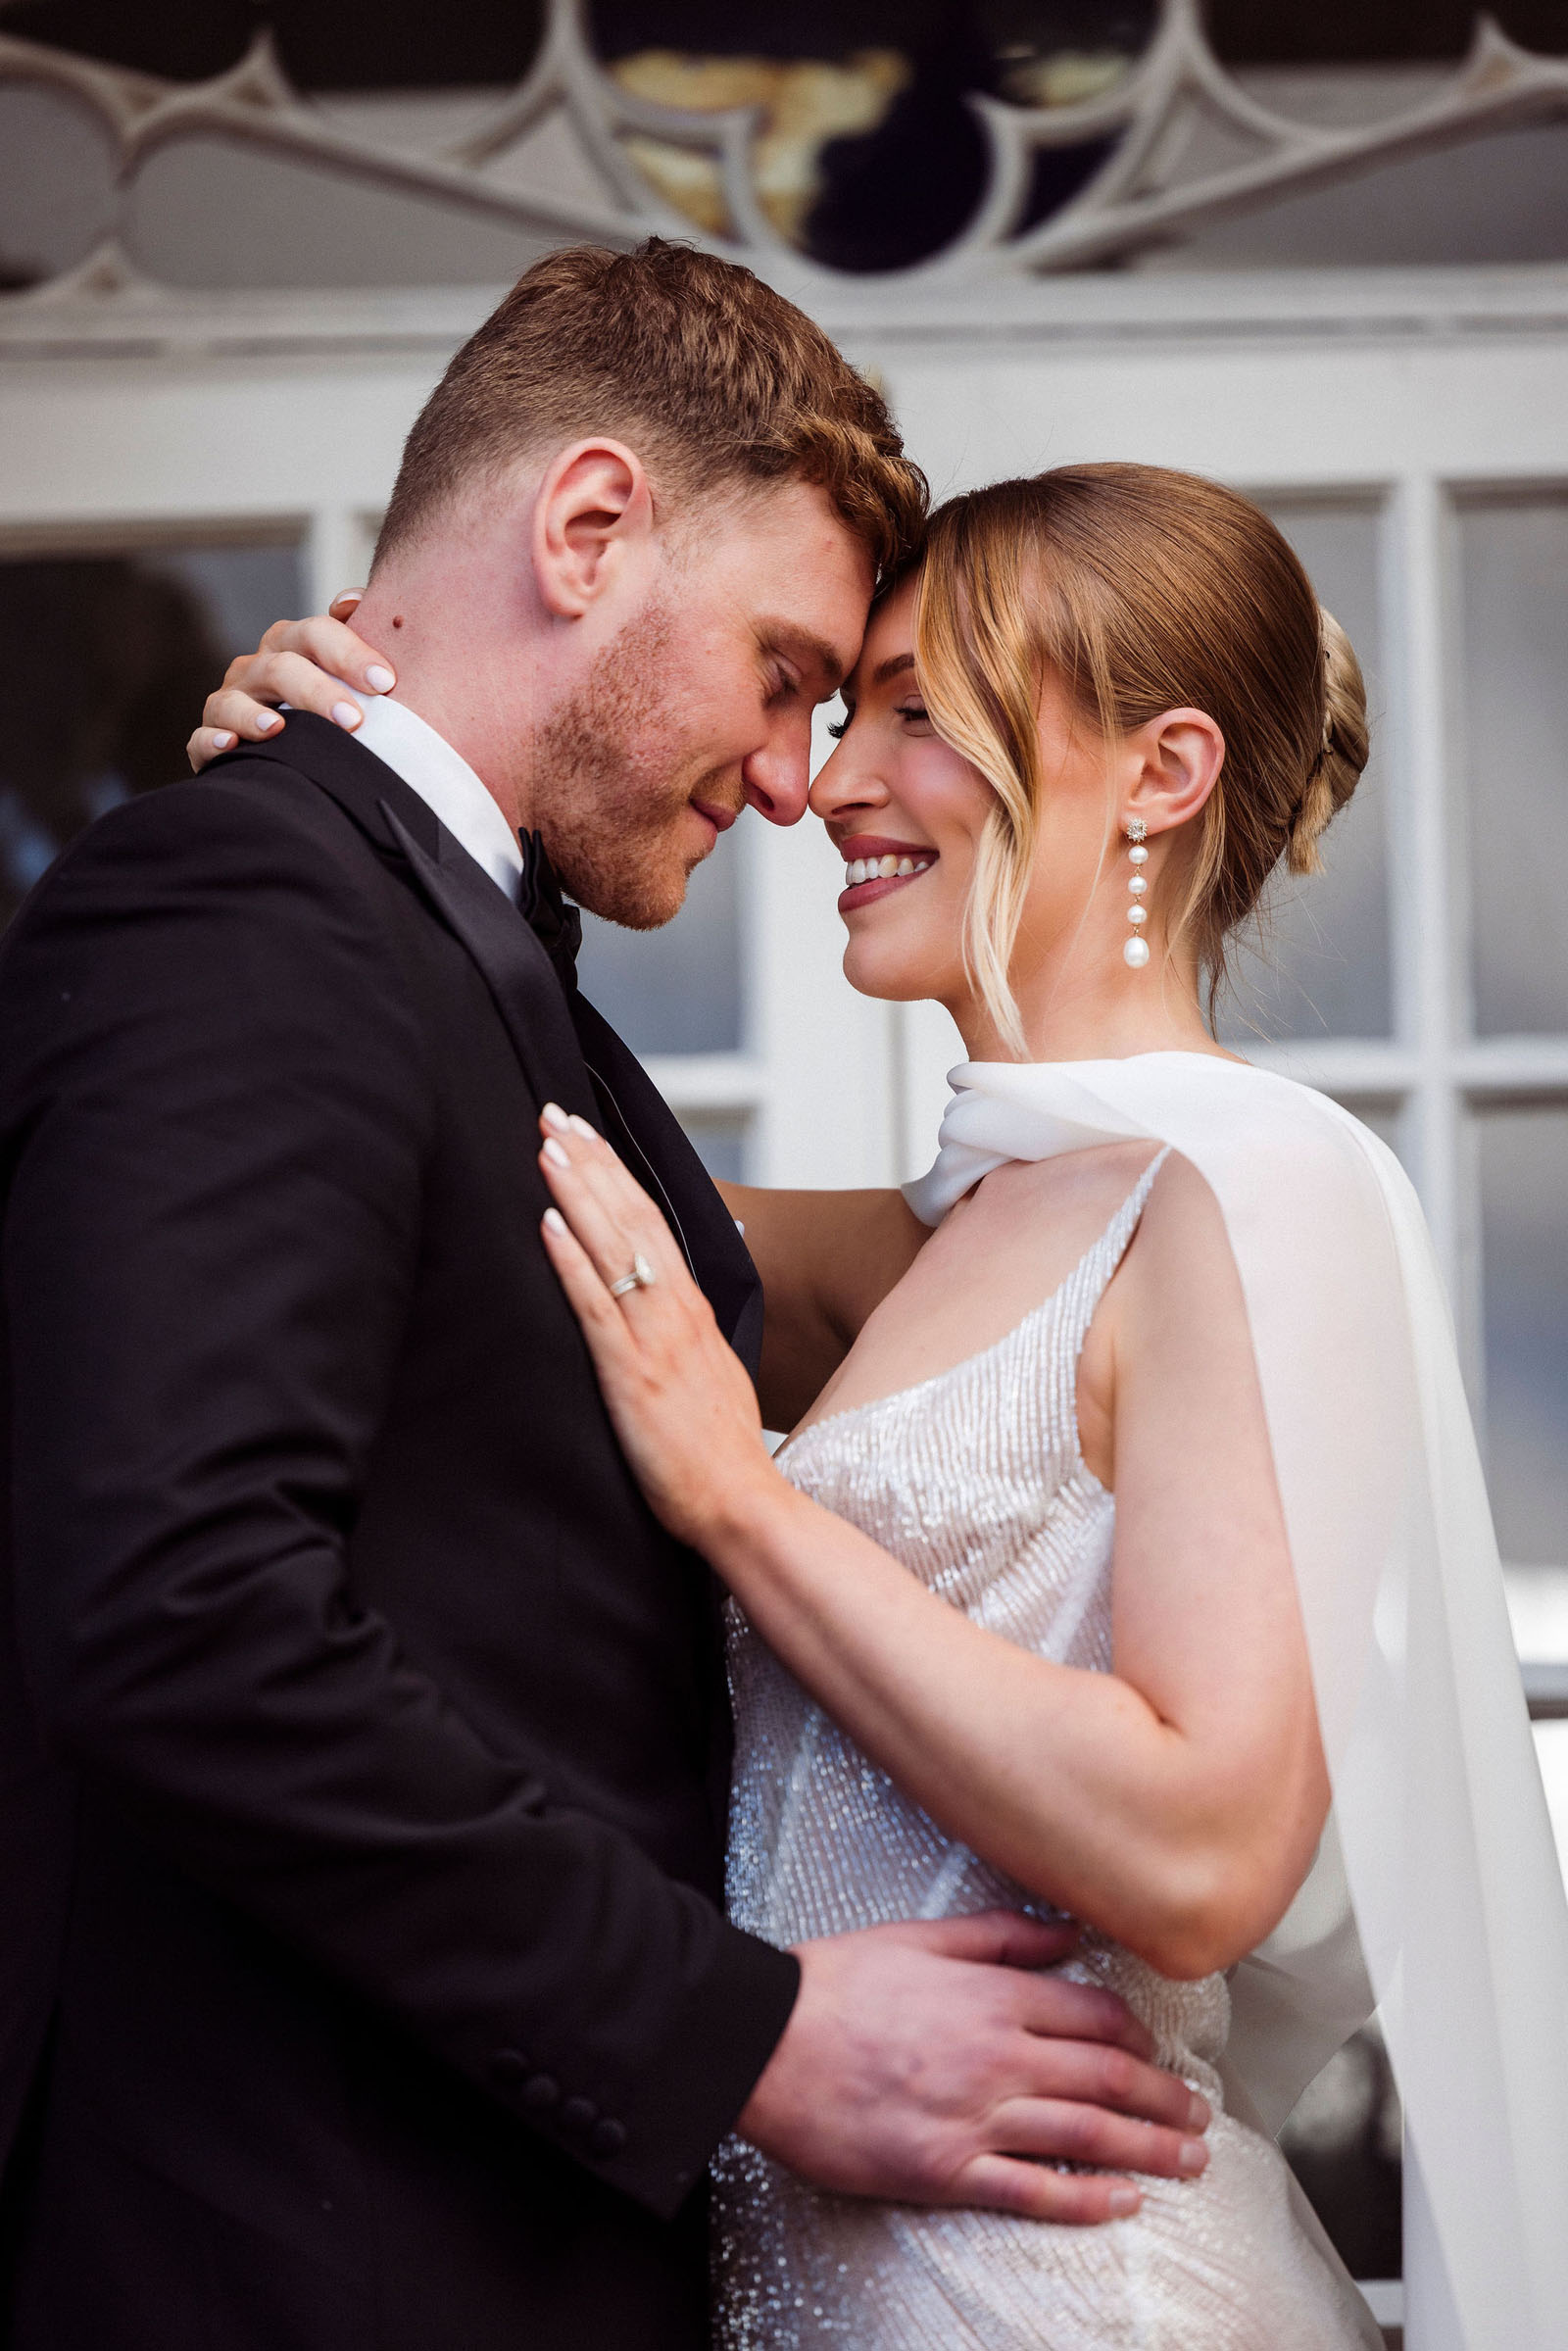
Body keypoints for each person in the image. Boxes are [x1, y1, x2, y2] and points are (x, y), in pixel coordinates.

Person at [0, 252, 1211, 2351]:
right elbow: (173, 1604)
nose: (787, 779)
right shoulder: (255, 907)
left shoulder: (434, 953)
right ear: (582, 531)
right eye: (780, 670)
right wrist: (735, 2038)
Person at [240, 465, 1568, 2345]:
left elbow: (1204, 1851)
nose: (837, 781)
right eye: (845, 709)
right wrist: (367, 799)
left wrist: (746, 1506)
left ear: (1164, 773)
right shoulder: (953, 1227)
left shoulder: (1260, 1183)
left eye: (922, 713)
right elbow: (499, 1178)